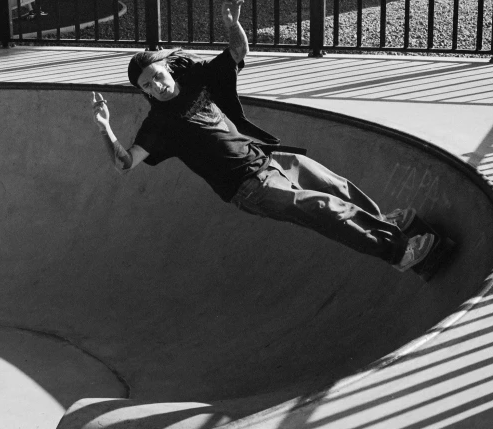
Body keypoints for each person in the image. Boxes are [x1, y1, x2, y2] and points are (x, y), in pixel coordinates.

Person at [91, 0, 434, 272]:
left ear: (166, 67)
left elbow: (238, 53)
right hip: (250, 188)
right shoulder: (157, 125)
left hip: (268, 160)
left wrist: (233, 25)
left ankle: (385, 223)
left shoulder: (196, 77)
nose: (156, 87)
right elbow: (125, 163)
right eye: (146, 86)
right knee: (324, 208)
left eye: (156, 76)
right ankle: (400, 254)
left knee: (336, 186)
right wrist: (106, 127)